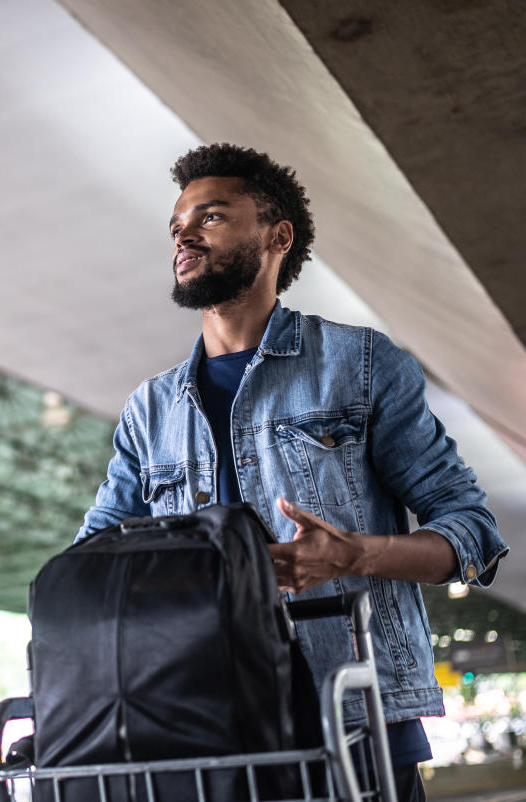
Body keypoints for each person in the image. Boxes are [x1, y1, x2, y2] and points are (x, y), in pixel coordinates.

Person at [78, 143, 508, 800]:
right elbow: (92, 559)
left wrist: (356, 554)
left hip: (352, 723)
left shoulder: (359, 366)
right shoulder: (149, 410)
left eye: (211, 216)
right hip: (204, 732)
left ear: (278, 236)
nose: (183, 235)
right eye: (176, 225)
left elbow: (471, 532)